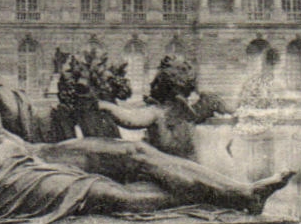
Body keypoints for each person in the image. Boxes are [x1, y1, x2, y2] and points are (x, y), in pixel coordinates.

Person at [0, 0, 292, 223]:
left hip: (27, 157)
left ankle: (240, 194)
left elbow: (32, 125)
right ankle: (209, 200)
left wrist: (79, 100)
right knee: (107, 193)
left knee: (132, 152)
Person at [96, 56, 228, 161]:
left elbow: (130, 119)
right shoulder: (188, 112)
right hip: (186, 167)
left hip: (171, 168)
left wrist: (105, 106)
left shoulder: (159, 112)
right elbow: (129, 119)